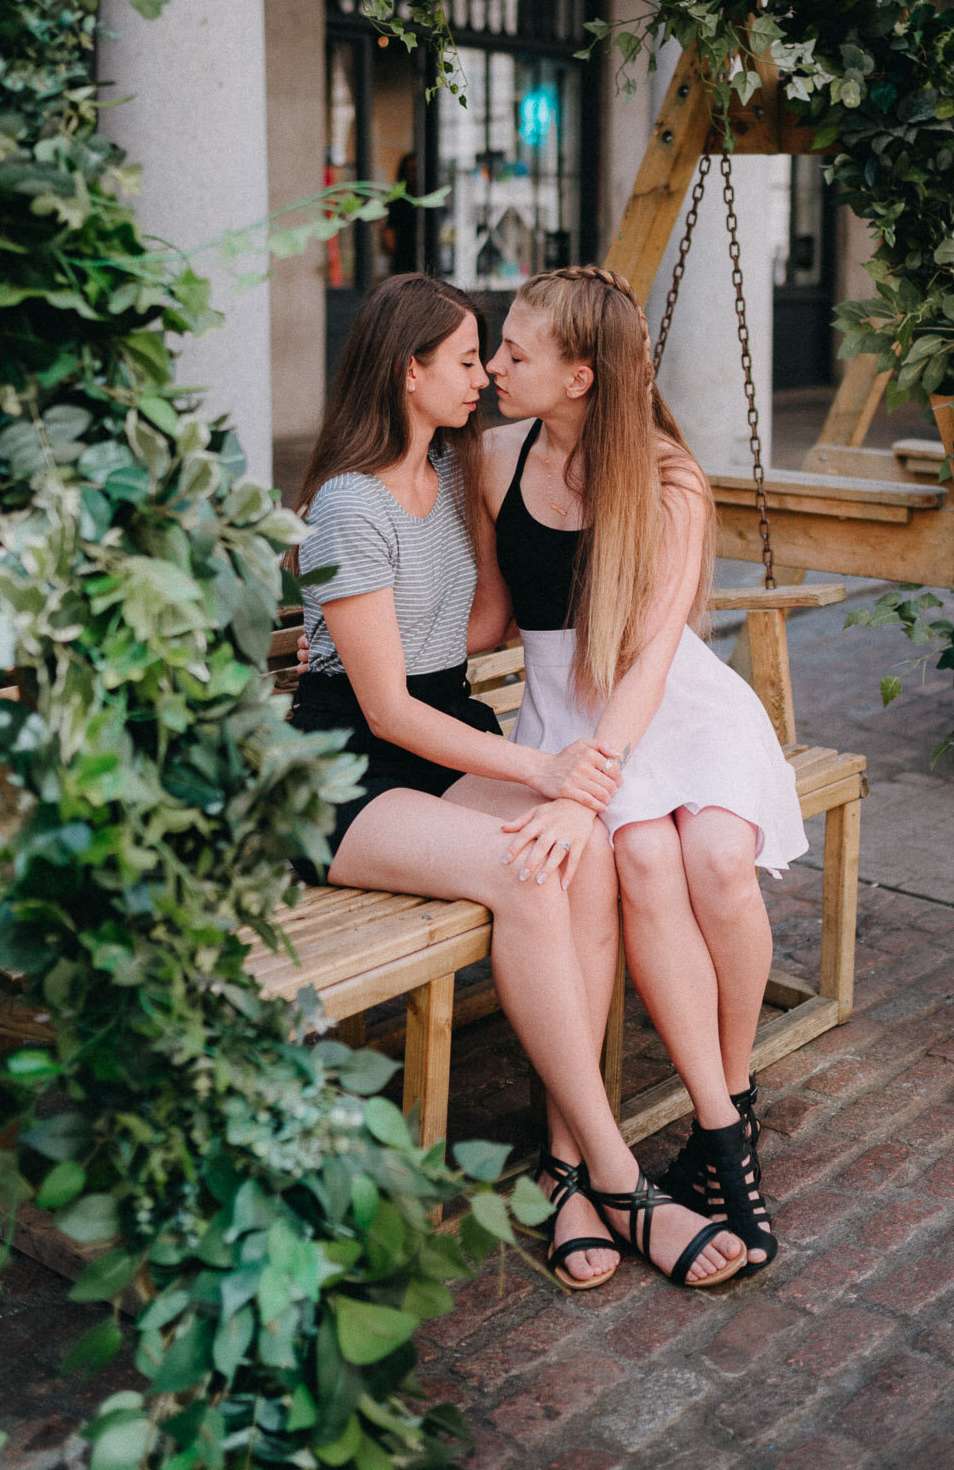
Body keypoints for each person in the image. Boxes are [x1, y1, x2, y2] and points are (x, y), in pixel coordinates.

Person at [291, 271, 746, 1291]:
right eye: (465, 358)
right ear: (409, 372)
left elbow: (485, 624)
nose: (485, 372)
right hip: (344, 765)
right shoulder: (343, 504)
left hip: (445, 732)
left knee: (578, 854)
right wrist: (545, 766)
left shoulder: (456, 471)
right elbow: (383, 708)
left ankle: (562, 1170)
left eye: (496, 353)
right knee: (532, 865)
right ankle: (617, 1173)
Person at [476, 264, 808, 1272]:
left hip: (668, 712)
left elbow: (653, 661)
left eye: (515, 352)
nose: (494, 363)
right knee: (648, 862)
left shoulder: (668, 480)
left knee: (710, 856)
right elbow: (491, 617)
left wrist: (586, 788)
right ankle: (719, 1139)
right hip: (567, 717)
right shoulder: (491, 455)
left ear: (580, 375)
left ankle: (727, 1104)